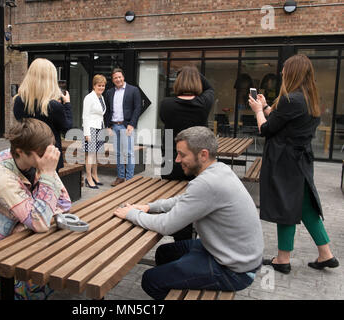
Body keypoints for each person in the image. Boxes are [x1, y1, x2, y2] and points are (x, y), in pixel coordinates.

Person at [113, 126, 264, 300]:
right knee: (165, 253)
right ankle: (179, 282)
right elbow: (185, 200)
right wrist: (149, 207)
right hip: (231, 253)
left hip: (234, 270)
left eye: (182, 155)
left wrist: (131, 214)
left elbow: (166, 225)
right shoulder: (219, 169)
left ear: (203, 155)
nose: (177, 160)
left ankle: (182, 288)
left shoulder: (207, 183)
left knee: (150, 280)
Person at [248, 54, 339, 274]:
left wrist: (258, 112)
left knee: (285, 205)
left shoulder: (291, 99)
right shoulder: (308, 98)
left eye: (285, 69)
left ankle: (283, 259)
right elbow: (282, 122)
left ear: (293, 73)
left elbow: (267, 129)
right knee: (306, 207)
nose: (281, 72)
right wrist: (267, 107)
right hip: (301, 160)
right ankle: (325, 254)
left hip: (285, 160)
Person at [0, 118, 71, 300]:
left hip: (20, 243)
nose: (48, 158)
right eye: (41, 153)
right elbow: (39, 223)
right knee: (32, 283)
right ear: (20, 152)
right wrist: (47, 175)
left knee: (61, 268)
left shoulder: (37, 163)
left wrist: (40, 215)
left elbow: (64, 203)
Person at [159, 65, 214, 241]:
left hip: (171, 165)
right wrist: (196, 73)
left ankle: (180, 241)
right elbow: (210, 88)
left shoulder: (166, 105)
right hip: (197, 169)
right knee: (194, 205)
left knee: (176, 206)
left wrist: (185, 73)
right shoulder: (203, 104)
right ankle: (189, 241)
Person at [13, 58, 72, 172]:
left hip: (26, 155)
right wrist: (67, 105)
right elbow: (66, 127)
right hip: (48, 157)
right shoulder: (54, 106)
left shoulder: (19, 101)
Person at [104, 68, 141, 186]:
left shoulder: (133, 90)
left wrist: (132, 124)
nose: (118, 79)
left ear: (123, 77)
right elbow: (107, 111)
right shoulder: (109, 92)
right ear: (113, 80)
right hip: (114, 126)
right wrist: (108, 125)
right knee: (118, 153)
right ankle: (120, 177)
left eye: (119, 77)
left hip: (127, 126)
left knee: (129, 153)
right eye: (115, 78)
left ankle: (129, 179)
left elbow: (137, 108)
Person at [82, 74, 107, 189]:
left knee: (96, 154)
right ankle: (88, 178)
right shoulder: (89, 98)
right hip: (91, 129)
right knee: (90, 154)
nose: (101, 87)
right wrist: (87, 133)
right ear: (94, 85)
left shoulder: (101, 97)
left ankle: (95, 175)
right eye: (99, 85)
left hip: (100, 128)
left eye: (103, 86)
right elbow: (85, 116)